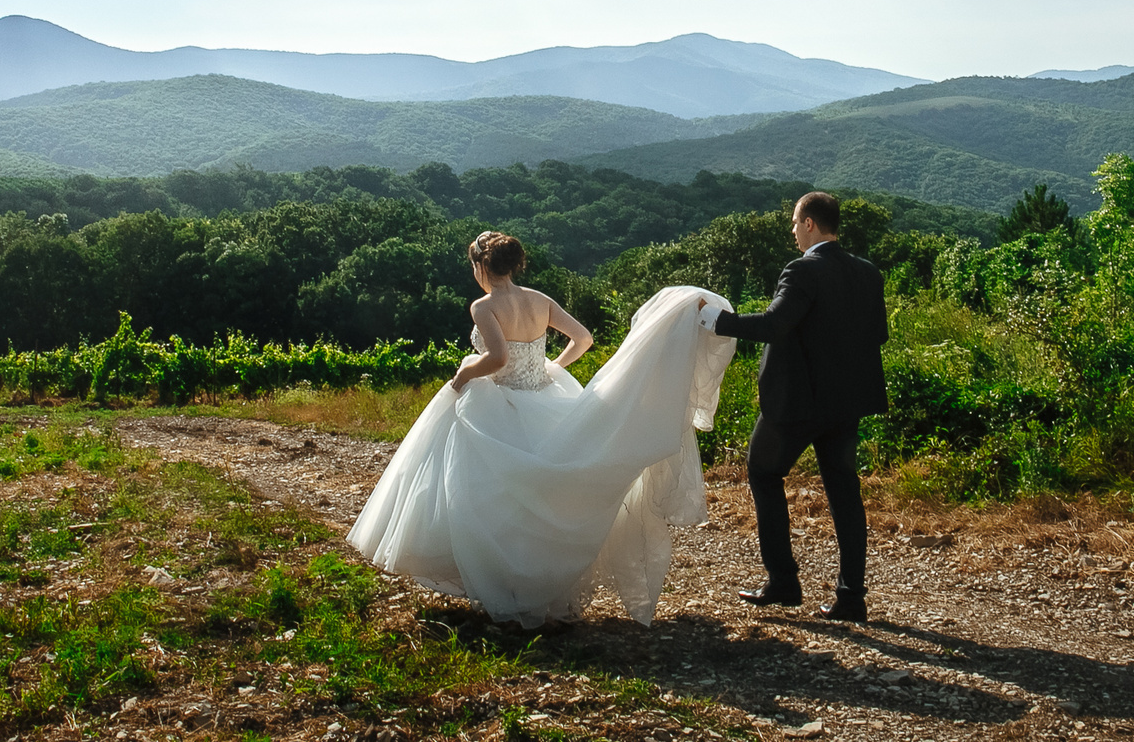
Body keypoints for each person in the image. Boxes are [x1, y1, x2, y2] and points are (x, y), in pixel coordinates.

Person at [349, 231, 738, 628]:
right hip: (547, 397)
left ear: (482, 266)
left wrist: (466, 372)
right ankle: (536, 580)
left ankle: (498, 578)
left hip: (498, 402)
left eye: (473, 266)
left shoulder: (483, 306)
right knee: (543, 491)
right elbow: (583, 338)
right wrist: (553, 368)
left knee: (484, 492)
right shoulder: (540, 299)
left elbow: (497, 359)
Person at [698, 191, 889, 623]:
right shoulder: (867, 272)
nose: (792, 231)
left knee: (763, 473)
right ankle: (851, 597)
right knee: (844, 492)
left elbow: (774, 325)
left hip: (797, 403)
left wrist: (716, 321)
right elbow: (878, 334)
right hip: (846, 404)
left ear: (809, 224)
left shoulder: (802, 270)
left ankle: (783, 581)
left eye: (793, 222)